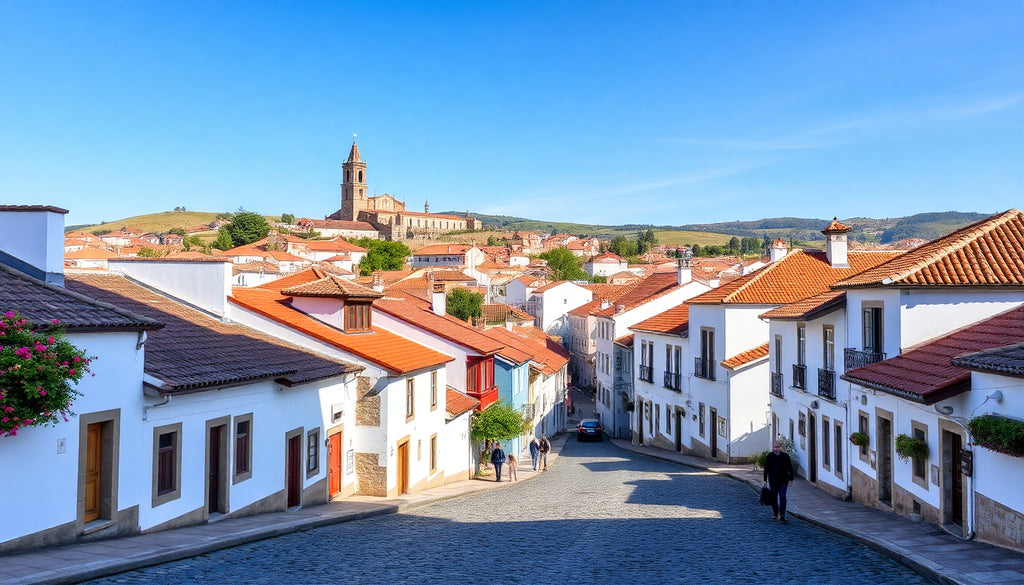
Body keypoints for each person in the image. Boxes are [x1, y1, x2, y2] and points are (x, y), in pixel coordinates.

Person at [763, 440, 795, 523]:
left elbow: (790, 468)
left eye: (778, 447)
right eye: (775, 447)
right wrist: (765, 479)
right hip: (773, 480)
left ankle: (782, 514)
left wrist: (791, 479)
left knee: (782, 496)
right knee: (774, 496)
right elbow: (766, 468)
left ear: (781, 448)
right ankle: (775, 512)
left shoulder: (785, 456)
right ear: (773, 448)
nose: (777, 449)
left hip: (784, 480)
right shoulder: (770, 456)